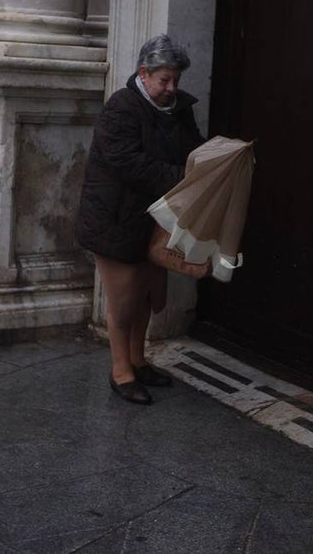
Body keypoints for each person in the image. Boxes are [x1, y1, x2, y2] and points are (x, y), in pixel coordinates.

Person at [76, 35, 205, 405]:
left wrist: (213, 159)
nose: (171, 88)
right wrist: (182, 177)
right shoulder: (121, 107)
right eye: (164, 80)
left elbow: (193, 149)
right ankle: (121, 371)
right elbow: (128, 162)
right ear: (144, 74)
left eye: (175, 80)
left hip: (155, 218)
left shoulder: (179, 109)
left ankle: (138, 360)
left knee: (147, 294)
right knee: (124, 300)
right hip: (115, 219)